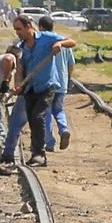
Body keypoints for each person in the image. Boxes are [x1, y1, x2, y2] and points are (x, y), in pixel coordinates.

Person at [8, 14, 78, 167]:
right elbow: (20, 69)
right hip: (30, 88)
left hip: (47, 86)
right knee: (33, 120)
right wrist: (18, 85)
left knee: (38, 116)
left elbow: (72, 42)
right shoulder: (21, 48)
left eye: (19, 29)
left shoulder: (46, 38)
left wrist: (60, 44)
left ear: (29, 27)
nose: (17, 32)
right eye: (15, 30)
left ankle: (40, 156)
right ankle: (36, 153)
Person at [42, 17, 72, 149]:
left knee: (46, 112)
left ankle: (49, 143)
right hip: (63, 82)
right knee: (59, 110)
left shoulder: (44, 42)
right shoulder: (65, 42)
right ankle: (63, 129)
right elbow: (71, 64)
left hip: (49, 83)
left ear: (41, 27)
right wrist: (68, 79)